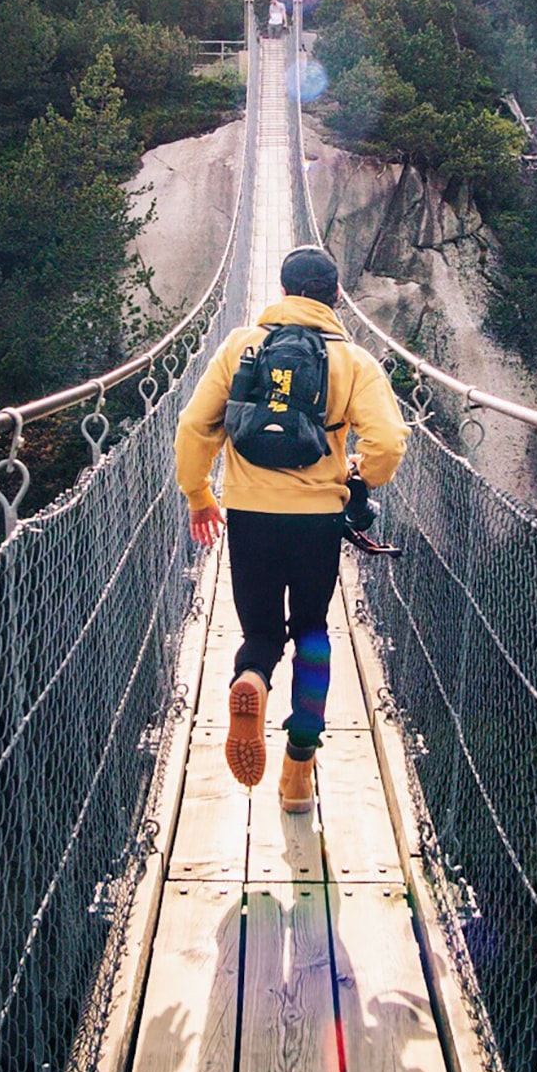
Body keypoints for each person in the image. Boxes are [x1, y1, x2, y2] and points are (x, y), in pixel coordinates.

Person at [175, 244, 406, 811]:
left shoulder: (240, 347)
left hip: (250, 515)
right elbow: (388, 443)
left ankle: (250, 677)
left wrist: (199, 495)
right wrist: (359, 476)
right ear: (334, 297)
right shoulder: (353, 361)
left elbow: (194, 426)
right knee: (311, 633)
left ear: (281, 293)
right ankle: (298, 769)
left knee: (260, 633)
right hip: (317, 523)